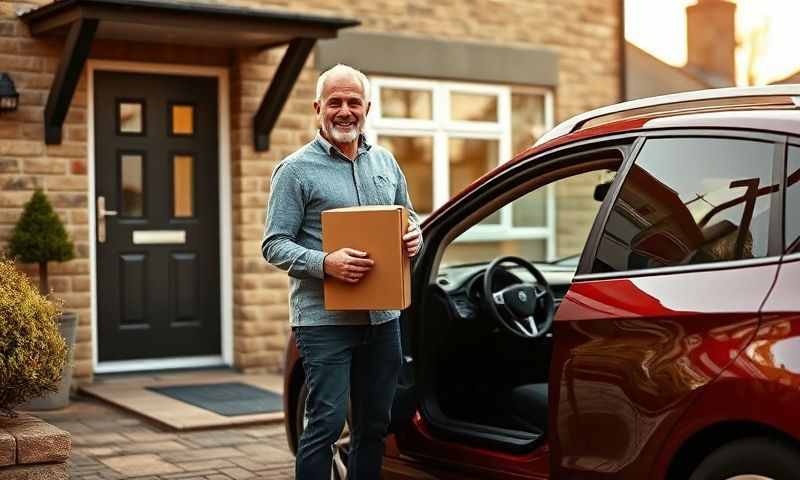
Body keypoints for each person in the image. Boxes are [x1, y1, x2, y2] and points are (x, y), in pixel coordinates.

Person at [261, 64, 422, 479]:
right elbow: (273, 244)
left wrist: (414, 235)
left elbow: (408, 216)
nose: (345, 111)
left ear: (367, 107)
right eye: (335, 102)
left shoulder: (385, 161)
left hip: (383, 318)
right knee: (326, 426)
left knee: (373, 427)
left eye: (354, 102)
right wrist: (325, 264)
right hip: (323, 322)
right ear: (318, 108)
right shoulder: (294, 170)